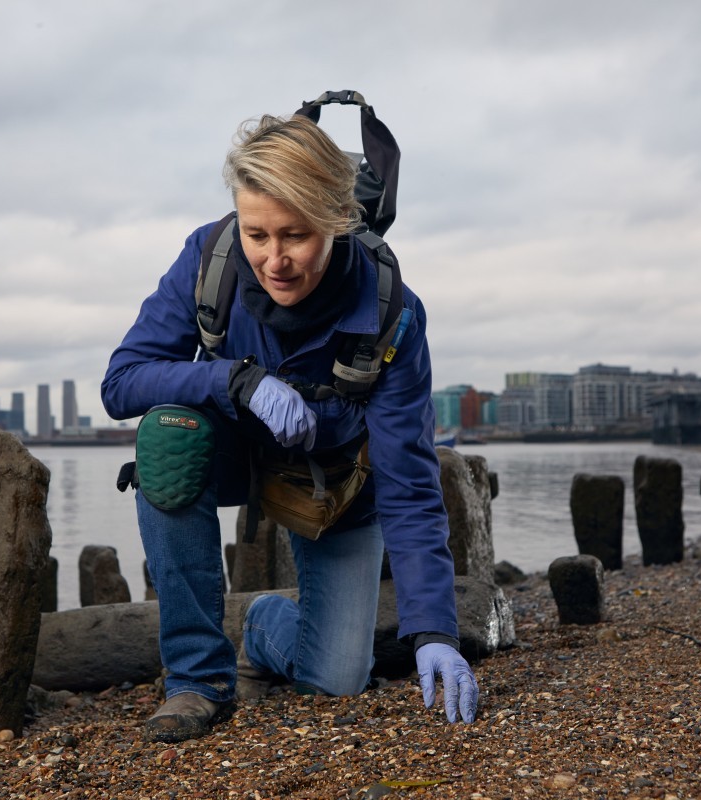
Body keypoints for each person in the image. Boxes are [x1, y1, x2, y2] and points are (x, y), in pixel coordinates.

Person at [101, 113, 477, 744]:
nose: (273, 260)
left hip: (333, 481)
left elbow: (409, 485)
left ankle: (262, 625)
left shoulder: (394, 314)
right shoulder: (209, 259)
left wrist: (436, 632)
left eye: (295, 236)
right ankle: (197, 679)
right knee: (168, 434)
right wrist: (235, 381)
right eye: (257, 234)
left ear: (339, 219)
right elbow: (122, 383)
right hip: (230, 455)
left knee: (337, 681)